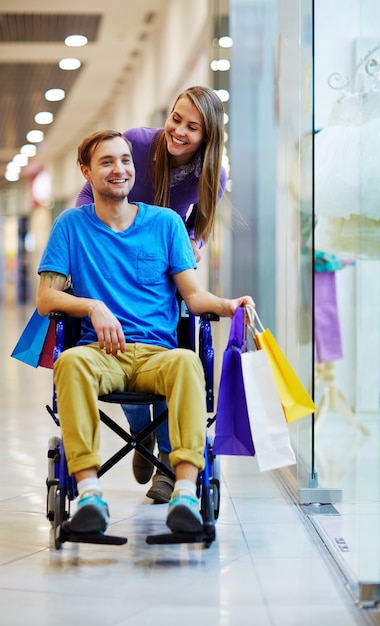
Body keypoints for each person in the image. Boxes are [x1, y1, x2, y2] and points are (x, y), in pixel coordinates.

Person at [36, 130, 254, 535]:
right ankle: (89, 494)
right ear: (86, 172)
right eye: (106, 162)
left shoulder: (166, 224)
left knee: (187, 363)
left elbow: (193, 295)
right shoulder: (70, 226)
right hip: (100, 352)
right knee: (70, 362)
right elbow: (46, 299)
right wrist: (91, 305)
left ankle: (185, 492)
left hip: (158, 354)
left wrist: (227, 305)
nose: (119, 169)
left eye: (125, 160)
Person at [76, 86, 228, 503]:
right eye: (175, 118)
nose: (178, 130)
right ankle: (143, 439)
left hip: (160, 260)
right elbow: (91, 195)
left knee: (161, 345)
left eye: (192, 127)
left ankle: (163, 453)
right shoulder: (139, 144)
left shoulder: (212, 173)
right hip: (110, 250)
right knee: (119, 339)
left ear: (208, 136)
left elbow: (200, 224)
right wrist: (82, 237)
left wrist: (190, 244)